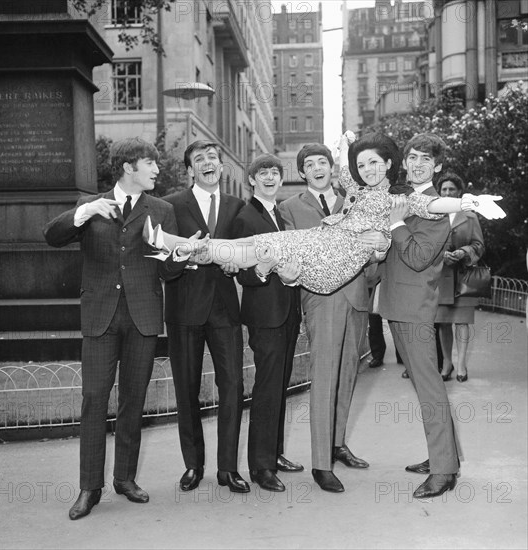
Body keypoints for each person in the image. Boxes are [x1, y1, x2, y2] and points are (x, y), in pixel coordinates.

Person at [43, 137, 204, 520]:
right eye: (150, 163)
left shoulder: (162, 209)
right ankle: (89, 487)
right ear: (129, 166)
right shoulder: (91, 205)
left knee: (133, 401)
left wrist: (180, 254)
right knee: (94, 400)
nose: (157, 170)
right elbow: (52, 235)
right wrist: (83, 214)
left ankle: (125, 478)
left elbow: (165, 270)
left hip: (143, 317)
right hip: (100, 317)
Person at [157, 136, 504, 295]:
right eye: (362, 163)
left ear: (388, 165)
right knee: (258, 244)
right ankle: (186, 249)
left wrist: (469, 202)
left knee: (263, 244)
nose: (367, 169)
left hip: (334, 260)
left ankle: (188, 250)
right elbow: (345, 169)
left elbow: (430, 205)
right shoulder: (357, 189)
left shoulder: (396, 200)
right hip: (324, 244)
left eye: (374, 163)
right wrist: (344, 144)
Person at [278, 142, 388, 493]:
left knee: (347, 375)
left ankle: (338, 444)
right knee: (323, 379)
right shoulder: (289, 208)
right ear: (302, 173)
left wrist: (376, 255)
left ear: (332, 167)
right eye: (309, 164)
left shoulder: (353, 201)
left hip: (356, 298)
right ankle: (321, 464)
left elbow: (370, 253)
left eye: (322, 161)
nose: (317, 168)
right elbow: (288, 253)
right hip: (320, 300)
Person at [377, 132, 463, 499]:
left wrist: (395, 226)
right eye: (411, 157)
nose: (415, 164)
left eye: (425, 159)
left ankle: (444, 471)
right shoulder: (404, 199)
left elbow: (415, 257)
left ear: (437, 166)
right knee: (423, 386)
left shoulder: (437, 207)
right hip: (396, 306)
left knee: (430, 390)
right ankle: (443, 456)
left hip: (414, 311)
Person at [162, 140, 250, 494]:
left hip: (226, 310)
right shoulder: (170, 205)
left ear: (222, 166)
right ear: (189, 171)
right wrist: (184, 254)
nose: (208, 163)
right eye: (199, 159)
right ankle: (193, 465)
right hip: (184, 310)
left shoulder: (236, 207)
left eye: (213, 157)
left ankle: (228, 469)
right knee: (187, 389)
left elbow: (248, 256)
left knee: (233, 387)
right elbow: (161, 263)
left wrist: (235, 265)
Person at [232, 154, 303, 492]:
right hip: (266, 317)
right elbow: (241, 269)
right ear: (251, 180)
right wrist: (261, 270)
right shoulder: (245, 217)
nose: (270, 177)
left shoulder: (281, 214)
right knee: (266, 390)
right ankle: (261, 468)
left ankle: (274, 453)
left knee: (280, 386)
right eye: (263, 173)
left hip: (287, 312)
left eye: (275, 172)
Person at [435, 172, 485, 383]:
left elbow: (479, 245)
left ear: (459, 193)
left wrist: (464, 252)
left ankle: (462, 363)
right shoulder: (433, 215)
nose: (447, 192)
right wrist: (440, 254)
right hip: (440, 277)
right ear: (439, 192)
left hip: (464, 277)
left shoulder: (471, 216)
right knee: (444, 323)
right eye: (444, 189)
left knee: (462, 323)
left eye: (451, 189)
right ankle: (447, 363)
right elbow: (425, 245)